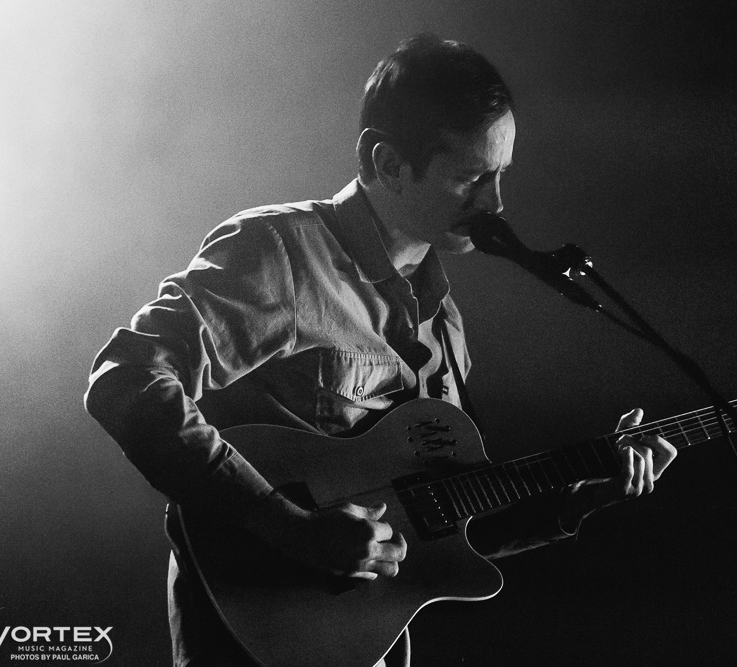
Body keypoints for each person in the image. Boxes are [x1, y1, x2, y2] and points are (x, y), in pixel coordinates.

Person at [85, 33, 677, 666]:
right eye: (470, 177)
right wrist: (288, 527)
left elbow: (444, 518)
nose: (496, 203)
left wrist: (582, 497)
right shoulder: (282, 254)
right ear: (389, 165)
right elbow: (124, 379)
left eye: (501, 173)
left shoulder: (443, 324)